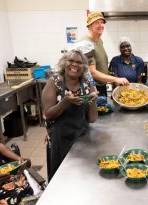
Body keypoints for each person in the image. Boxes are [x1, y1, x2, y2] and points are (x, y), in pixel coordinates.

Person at [41, 49, 98, 181]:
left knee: (80, 177)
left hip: (81, 138)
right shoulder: (54, 82)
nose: (74, 65)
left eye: (79, 62)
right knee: (60, 178)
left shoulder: (87, 84)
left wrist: (92, 101)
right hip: (59, 140)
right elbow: (48, 114)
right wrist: (65, 101)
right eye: (71, 61)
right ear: (64, 63)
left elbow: (92, 119)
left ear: (84, 67)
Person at [81, 11, 129, 96]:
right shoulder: (86, 44)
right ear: (89, 26)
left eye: (102, 22)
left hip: (101, 85)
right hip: (91, 88)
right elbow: (92, 72)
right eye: (96, 22)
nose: (101, 25)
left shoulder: (99, 40)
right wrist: (115, 79)